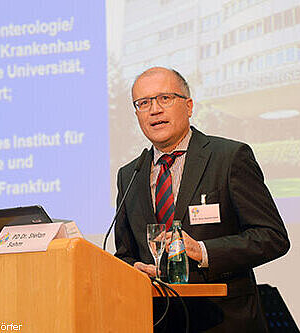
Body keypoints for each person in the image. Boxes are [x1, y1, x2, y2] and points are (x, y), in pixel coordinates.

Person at [114, 67, 290, 332]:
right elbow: (126, 255)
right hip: (158, 321)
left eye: (165, 98)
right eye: (144, 103)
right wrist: (134, 271)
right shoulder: (130, 174)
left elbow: (271, 237)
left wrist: (203, 251)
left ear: (188, 105)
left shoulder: (229, 157)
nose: (154, 110)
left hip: (224, 320)